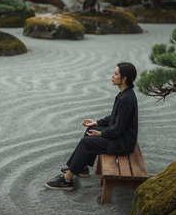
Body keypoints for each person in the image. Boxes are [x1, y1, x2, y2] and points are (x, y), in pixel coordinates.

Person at [45, 62, 138, 191]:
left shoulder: (125, 99)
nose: (112, 76)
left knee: (86, 142)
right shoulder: (125, 94)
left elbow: (118, 129)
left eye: (116, 74)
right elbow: (114, 118)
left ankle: (67, 180)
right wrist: (97, 123)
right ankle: (81, 167)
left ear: (124, 78)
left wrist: (101, 134)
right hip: (121, 137)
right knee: (90, 129)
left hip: (123, 143)